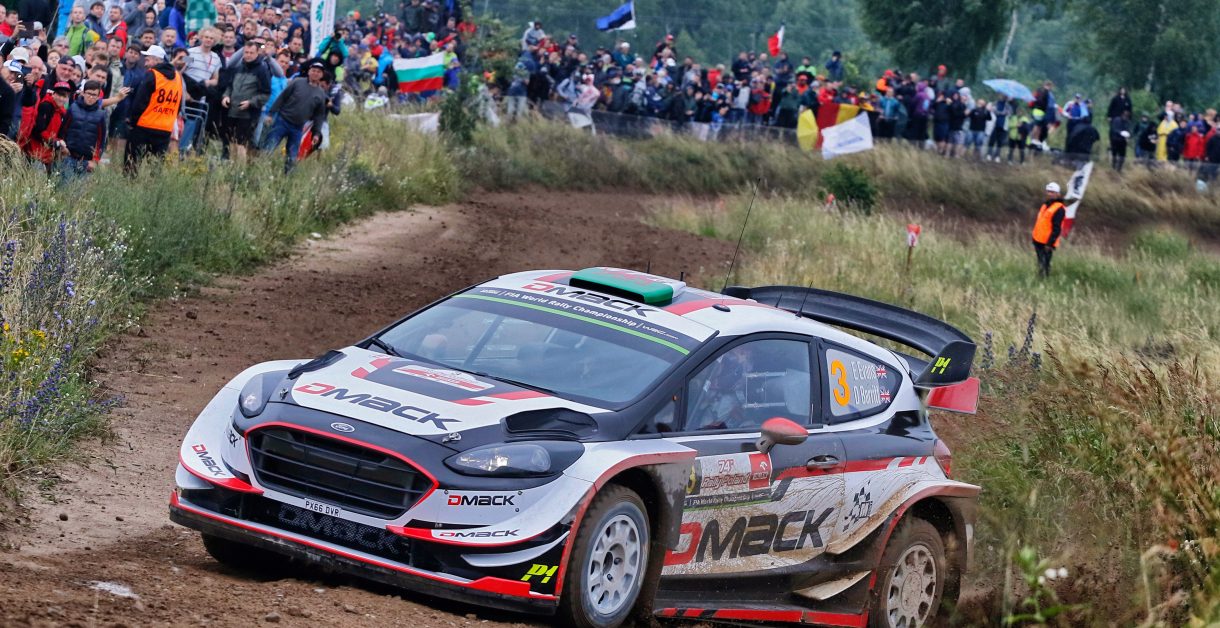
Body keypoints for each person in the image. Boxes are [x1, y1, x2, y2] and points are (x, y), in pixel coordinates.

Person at [124, 44, 181, 174]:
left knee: (131, 164)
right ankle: (152, 186)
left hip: (144, 126)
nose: (145, 62)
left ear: (156, 60)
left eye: (148, 59)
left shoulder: (152, 74)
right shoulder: (177, 77)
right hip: (165, 129)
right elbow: (178, 104)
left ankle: (128, 184)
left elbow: (140, 101)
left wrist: (132, 121)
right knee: (155, 167)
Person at [262, 59, 327, 172]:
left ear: (322, 75)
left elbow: (319, 115)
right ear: (309, 71)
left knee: (292, 157)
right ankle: (259, 170)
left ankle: (287, 177)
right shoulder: (297, 82)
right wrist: (271, 114)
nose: (315, 73)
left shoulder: (321, 94)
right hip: (282, 121)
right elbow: (282, 97)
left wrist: (316, 133)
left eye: (318, 72)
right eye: (313, 70)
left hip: (298, 128)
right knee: (268, 148)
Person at [219, 39, 270, 160]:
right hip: (232, 110)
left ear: (257, 53)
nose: (248, 55)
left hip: (248, 114)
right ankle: (232, 166)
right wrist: (225, 96)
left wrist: (251, 103)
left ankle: (240, 169)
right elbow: (230, 86)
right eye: (246, 52)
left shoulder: (262, 70)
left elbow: (266, 94)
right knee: (231, 141)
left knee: (241, 143)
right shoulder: (238, 67)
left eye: (251, 53)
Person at [58, 78, 107, 179]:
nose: (91, 97)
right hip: (69, 156)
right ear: (83, 93)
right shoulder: (73, 108)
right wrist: (63, 148)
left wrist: (95, 160)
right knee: (64, 186)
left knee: (80, 188)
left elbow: (101, 140)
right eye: (89, 93)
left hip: (87, 161)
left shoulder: (101, 115)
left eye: (94, 95)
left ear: (98, 97)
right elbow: (63, 131)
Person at [20, 80, 71, 172]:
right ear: (53, 94)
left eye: (64, 96)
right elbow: (38, 130)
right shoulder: (45, 106)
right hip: (35, 152)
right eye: (59, 95)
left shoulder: (62, 112)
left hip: (48, 155)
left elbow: (60, 133)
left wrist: (60, 142)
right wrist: (55, 142)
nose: (61, 99)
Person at [1031, 182, 1066, 278]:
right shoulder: (1045, 205)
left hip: (1047, 242)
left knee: (1045, 264)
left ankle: (1044, 280)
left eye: (1052, 192)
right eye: (1048, 191)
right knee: (1040, 263)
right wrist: (1034, 238)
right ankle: (1041, 279)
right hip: (1038, 240)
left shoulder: (1059, 209)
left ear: (1058, 194)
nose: (1049, 194)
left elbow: (1057, 229)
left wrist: (1049, 244)